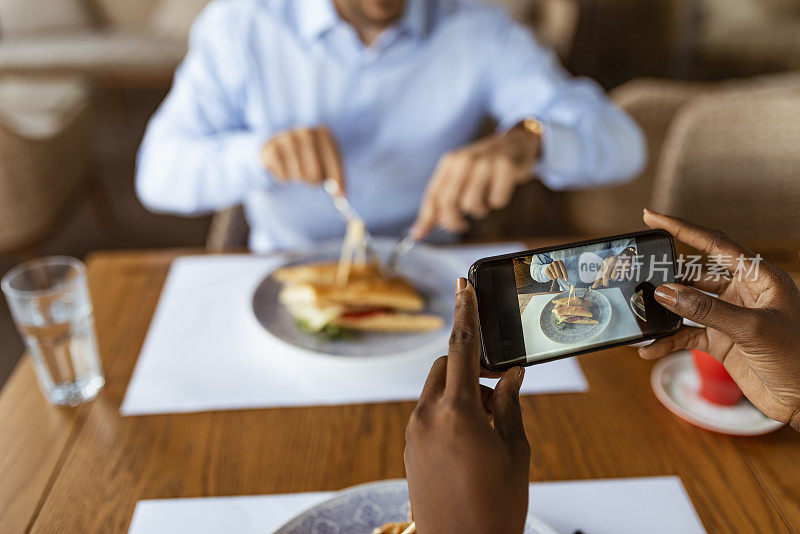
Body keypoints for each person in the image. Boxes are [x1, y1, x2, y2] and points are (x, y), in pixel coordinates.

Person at [135, 0, 645, 252]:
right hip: (283, 269)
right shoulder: (240, 24)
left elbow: (624, 143)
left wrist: (529, 141)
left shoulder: (481, 30)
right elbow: (157, 174)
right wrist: (257, 156)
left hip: (434, 280)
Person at [404, 210, 800, 532]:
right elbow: (535, 271)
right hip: (561, 297)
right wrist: (547, 271)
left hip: (620, 298)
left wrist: (625, 259)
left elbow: (632, 254)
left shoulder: (620, 249)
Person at [529, 238, 636, 291]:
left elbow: (632, 246)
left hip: (607, 290)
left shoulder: (606, 224)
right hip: (568, 294)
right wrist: (545, 270)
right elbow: (534, 269)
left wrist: (629, 252)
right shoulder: (545, 237)